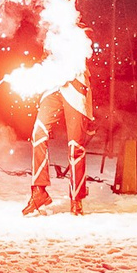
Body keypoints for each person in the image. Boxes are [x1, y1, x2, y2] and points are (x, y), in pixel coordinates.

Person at [22, 75, 94, 215]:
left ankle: (76, 198)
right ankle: (39, 191)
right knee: (38, 134)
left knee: (75, 145)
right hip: (53, 85)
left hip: (75, 84)